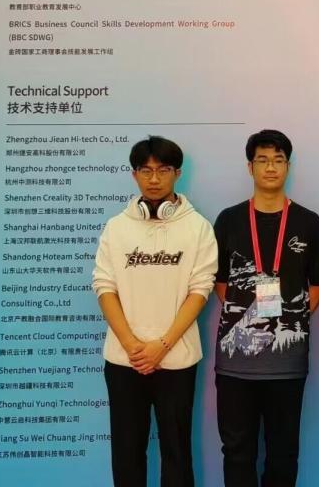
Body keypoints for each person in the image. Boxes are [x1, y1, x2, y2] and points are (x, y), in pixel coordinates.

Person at [92, 135, 218, 487]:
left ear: (177, 173)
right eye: (145, 171)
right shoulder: (116, 227)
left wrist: (161, 345)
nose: (154, 179)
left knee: (176, 451)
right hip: (124, 360)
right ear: (134, 175)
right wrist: (132, 345)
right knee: (126, 451)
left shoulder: (198, 227)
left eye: (163, 170)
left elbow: (200, 290)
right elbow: (104, 286)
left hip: (176, 359)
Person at [212, 129, 319, 487]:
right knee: (237, 452)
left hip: (287, 363)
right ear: (250, 167)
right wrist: (250, 317)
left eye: (278, 160)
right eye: (262, 160)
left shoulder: (309, 222)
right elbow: (220, 281)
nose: (271, 167)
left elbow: (317, 285)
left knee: (283, 453)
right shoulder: (229, 220)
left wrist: (287, 317)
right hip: (235, 364)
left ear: (288, 167)